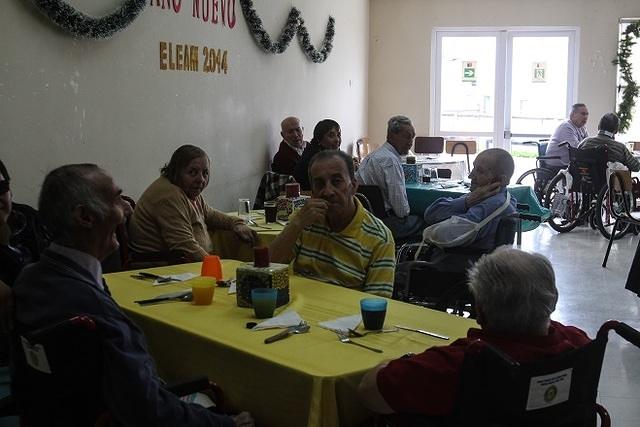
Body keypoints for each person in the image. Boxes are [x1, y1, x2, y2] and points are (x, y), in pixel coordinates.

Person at [12, 164, 254, 426]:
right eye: (117, 200)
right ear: (85, 217)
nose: (127, 210)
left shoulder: (28, 281)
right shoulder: (96, 315)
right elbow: (149, 408)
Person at [358, 247, 590, 419]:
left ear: (479, 311)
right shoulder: (579, 344)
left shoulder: (460, 364)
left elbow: (370, 393)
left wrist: (395, 363)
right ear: (553, 300)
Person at [270, 150, 396, 297]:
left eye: (337, 182)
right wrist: (296, 224)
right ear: (312, 192)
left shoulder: (379, 238)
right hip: (299, 310)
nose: (328, 191)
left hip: (347, 314)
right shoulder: (305, 220)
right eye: (319, 184)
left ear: (354, 186)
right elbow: (268, 267)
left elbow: (377, 304)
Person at [129, 145, 257, 262]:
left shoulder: (187, 190)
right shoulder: (168, 195)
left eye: (205, 173)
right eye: (192, 172)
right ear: (176, 172)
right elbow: (185, 246)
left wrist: (236, 224)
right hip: (159, 269)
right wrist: (217, 267)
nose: (201, 179)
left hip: (182, 263)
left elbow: (209, 214)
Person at [423, 148, 517, 251]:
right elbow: (429, 215)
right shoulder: (479, 196)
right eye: (474, 168)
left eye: (480, 171)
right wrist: (467, 201)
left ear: (502, 180)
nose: (470, 175)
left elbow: (444, 233)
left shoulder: (493, 205)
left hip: (460, 262)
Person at [356, 115, 425, 242]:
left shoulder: (372, 156)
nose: (411, 142)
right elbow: (402, 211)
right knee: (424, 221)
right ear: (391, 135)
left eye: (413, 137)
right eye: (407, 137)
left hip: (364, 221)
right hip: (384, 224)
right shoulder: (391, 161)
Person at [293, 119, 342, 190]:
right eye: (331, 136)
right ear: (319, 139)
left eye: (338, 135)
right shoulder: (315, 157)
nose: (337, 139)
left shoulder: (331, 150)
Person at [545, 103, 590, 167]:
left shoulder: (582, 127)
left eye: (587, 114)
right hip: (557, 162)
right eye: (583, 114)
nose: (586, 117)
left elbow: (588, 143)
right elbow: (576, 148)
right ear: (572, 115)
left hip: (571, 161)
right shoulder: (566, 127)